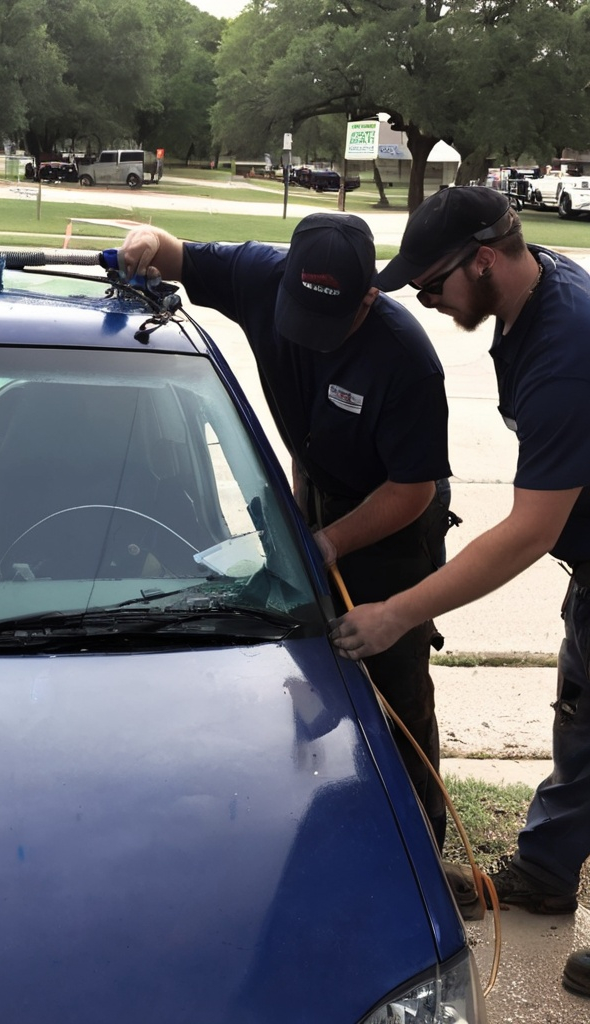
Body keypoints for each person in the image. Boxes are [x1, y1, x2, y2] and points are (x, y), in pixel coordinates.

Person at [119, 214, 455, 848]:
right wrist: (146, 244)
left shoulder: (405, 359)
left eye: (332, 326)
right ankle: (317, 805)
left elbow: (413, 490)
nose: (313, 341)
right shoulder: (258, 275)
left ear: (370, 296)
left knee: (392, 682)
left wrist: (327, 544)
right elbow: (171, 249)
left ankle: (421, 852)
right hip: (315, 495)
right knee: (303, 665)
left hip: (390, 519)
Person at [328, 186, 590, 995]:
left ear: (483, 259)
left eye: (434, 282)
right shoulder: (528, 305)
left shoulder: (566, 351)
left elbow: (527, 531)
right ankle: (545, 871)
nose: (426, 298)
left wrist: (398, 612)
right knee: (582, 715)